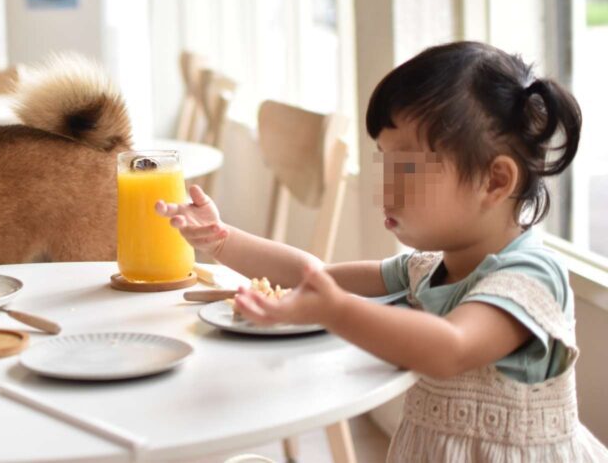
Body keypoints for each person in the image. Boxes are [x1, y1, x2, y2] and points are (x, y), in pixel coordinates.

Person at [157, 41, 608, 461]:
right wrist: (221, 239)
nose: (385, 186)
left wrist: (335, 312)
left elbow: (451, 347)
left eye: (405, 168)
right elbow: (315, 274)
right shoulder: (431, 269)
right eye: (384, 162)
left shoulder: (531, 276)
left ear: (494, 181)